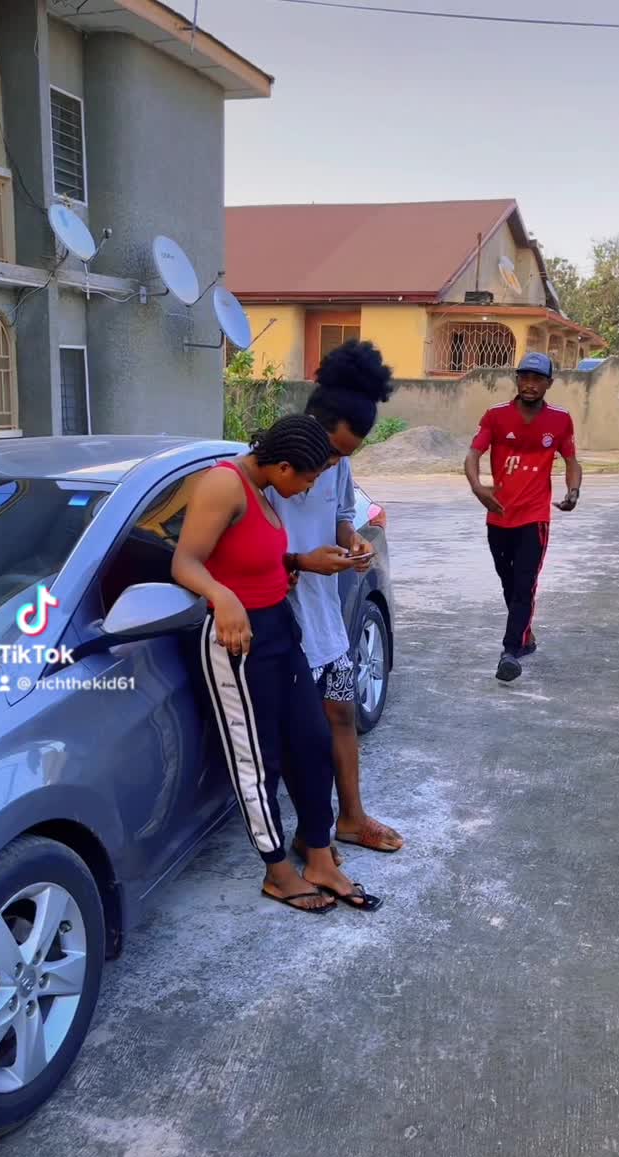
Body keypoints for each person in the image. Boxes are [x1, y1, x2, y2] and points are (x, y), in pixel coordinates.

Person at [172, 414, 382, 913]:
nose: (309, 489)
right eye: (308, 479)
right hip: (238, 641)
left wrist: (296, 564)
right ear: (283, 466)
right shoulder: (224, 483)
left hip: (282, 630)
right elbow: (185, 562)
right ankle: (277, 871)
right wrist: (223, 597)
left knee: (312, 742)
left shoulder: (264, 489)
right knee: (257, 761)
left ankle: (319, 855)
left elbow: (255, 557)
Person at [267, 340, 403, 859]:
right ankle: (313, 834)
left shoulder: (338, 467)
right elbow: (244, 553)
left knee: (343, 716)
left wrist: (354, 542)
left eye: (345, 456)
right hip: (283, 624)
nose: (334, 465)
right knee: (303, 737)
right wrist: (301, 562)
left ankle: (351, 818)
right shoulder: (269, 471)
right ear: (312, 427)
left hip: (324, 621)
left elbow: (342, 517)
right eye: (332, 452)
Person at [464, 352, 583, 684]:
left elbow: (572, 461)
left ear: (549, 384)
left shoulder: (560, 420)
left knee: (524, 584)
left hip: (535, 517)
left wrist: (573, 491)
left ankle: (510, 651)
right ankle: (525, 637)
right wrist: (477, 487)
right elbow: (473, 454)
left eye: (537, 379)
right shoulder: (496, 416)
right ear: (517, 380)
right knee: (509, 581)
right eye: (524, 378)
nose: (530, 385)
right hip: (499, 517)